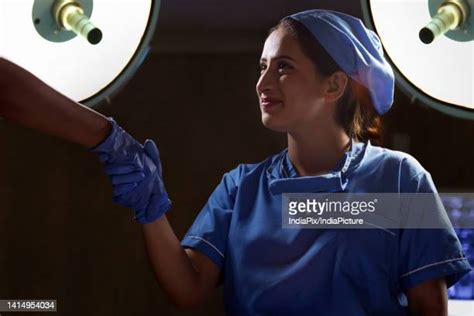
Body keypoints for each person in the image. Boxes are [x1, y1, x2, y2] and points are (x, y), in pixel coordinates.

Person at [0, 9, 471, 316]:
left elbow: (431, 306)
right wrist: (151, 208)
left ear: (334, 85)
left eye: (283, 66)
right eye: (262, 66)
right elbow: (188, 290)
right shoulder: (241, 188)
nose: (264, 81)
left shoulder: (400, 178)